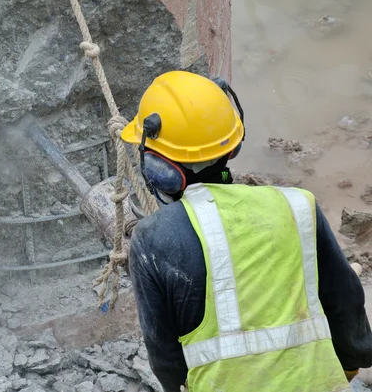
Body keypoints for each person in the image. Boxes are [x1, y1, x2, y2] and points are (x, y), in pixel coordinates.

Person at [120, 70, 372, 392]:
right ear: (233, 146)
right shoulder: (298, 207)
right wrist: (352, 363)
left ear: (160, 168)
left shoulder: (152, 238)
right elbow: (346, 301)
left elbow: (165, 357)